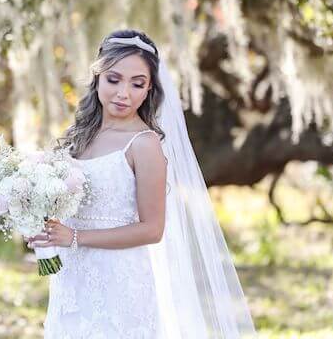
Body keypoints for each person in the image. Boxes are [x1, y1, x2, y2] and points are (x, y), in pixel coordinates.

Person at [25, 29, 258, 338]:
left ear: (150, 90)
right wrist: (38, 219)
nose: (124, 93)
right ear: (97, 78)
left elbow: (152, 229)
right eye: (114, 79)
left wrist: (75, 236)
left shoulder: (143, 144)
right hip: (72, 277)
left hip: (120, 280)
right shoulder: (78, 138)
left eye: (138, 84)